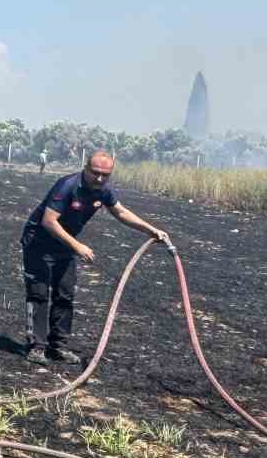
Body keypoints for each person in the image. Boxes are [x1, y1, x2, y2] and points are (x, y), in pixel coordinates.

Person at [19, 149, 168, 367]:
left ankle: (57, 347)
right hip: (38, 243)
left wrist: (151, 230)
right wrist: (77, 246)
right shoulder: (67, 186)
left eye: (105, 174)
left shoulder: (103, 190)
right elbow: (49, 221)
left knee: (65, 295)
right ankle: (36, 347)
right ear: (86, 168)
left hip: (64, 245)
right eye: (95, 172)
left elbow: (121, 212)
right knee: (38, 295)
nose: (99, 178)